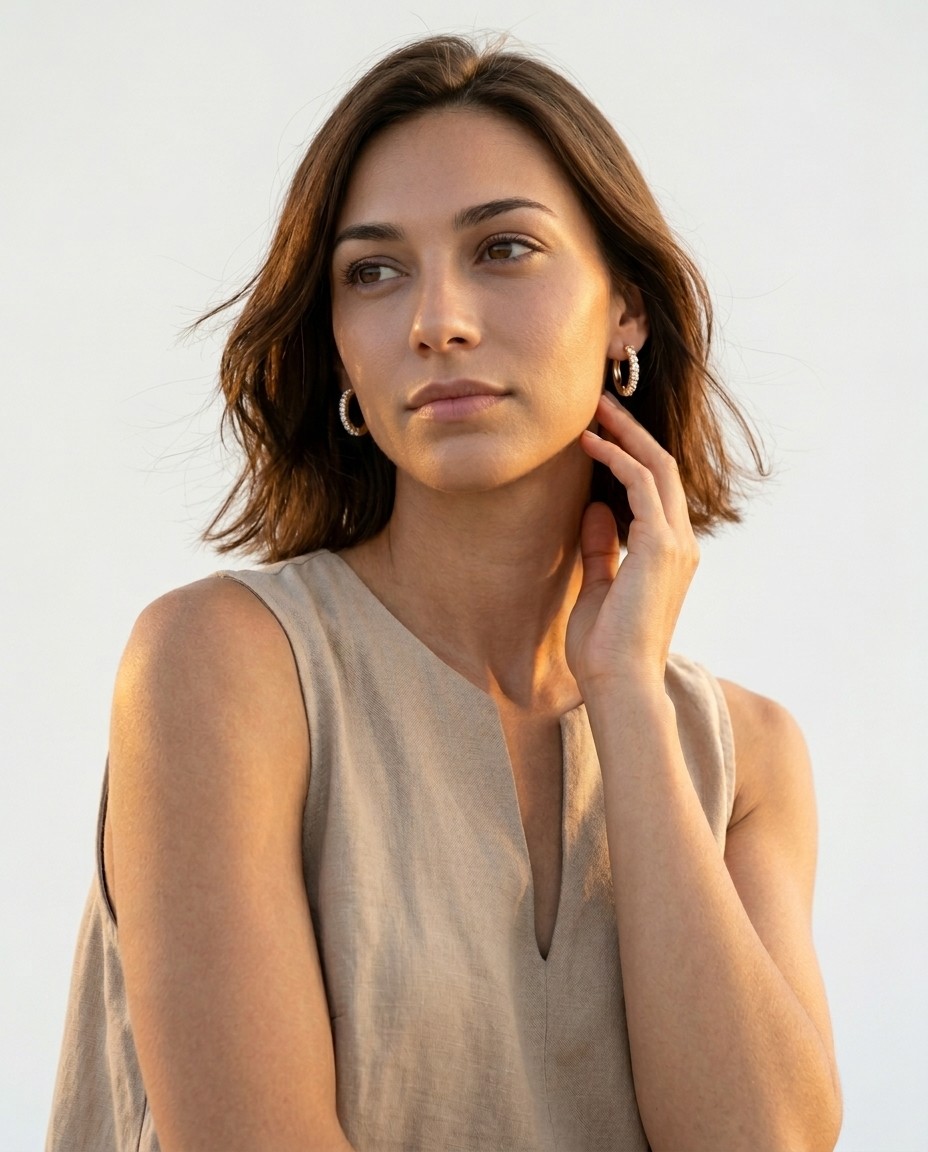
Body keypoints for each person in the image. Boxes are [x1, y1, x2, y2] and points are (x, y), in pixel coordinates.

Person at [48, 32, 842, 1152]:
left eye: (504, 249)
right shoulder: (224, 665)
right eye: (373, 272)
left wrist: (623, 698)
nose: (437, 320)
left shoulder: (746, 758)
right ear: (338, 355)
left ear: (626, 313)